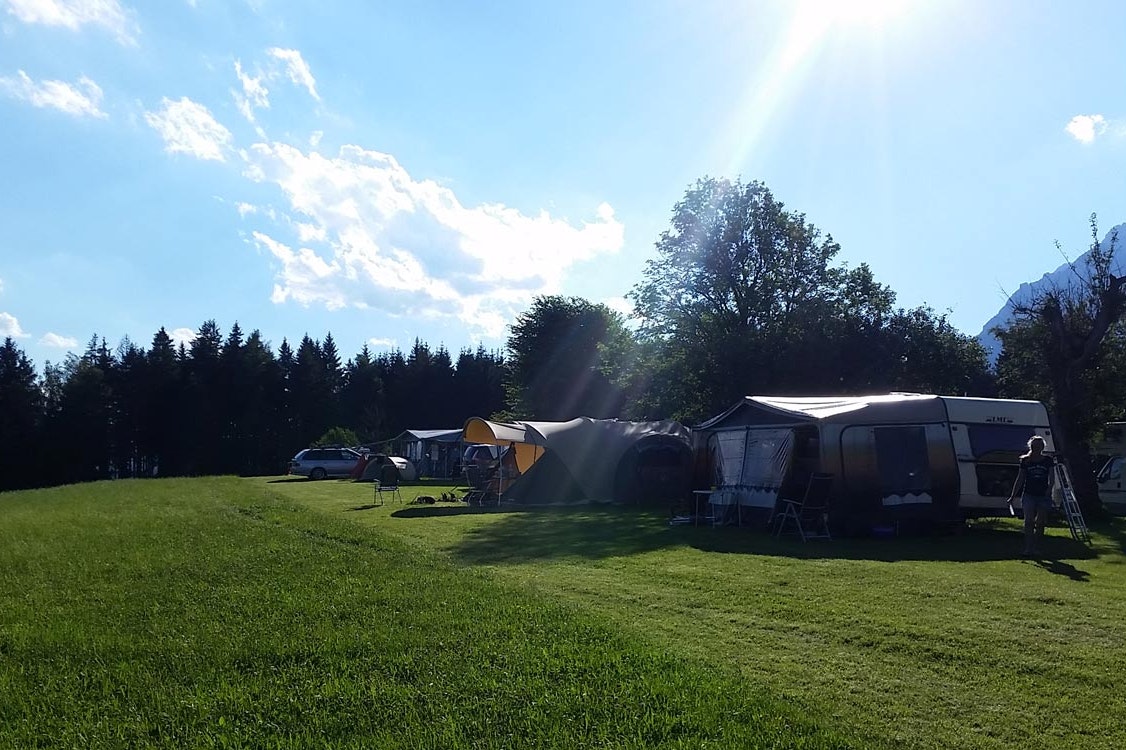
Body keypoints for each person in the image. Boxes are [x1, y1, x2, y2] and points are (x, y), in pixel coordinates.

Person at [1008, 436, 1056, 557]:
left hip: (1043, 495)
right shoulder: (1025, 461)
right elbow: (1020, 478)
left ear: (1042, 447)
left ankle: (1036, 547)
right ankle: (1028, 547)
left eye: (1039, 446)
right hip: (1029, 494)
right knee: (1028, 521)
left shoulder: (1047, 460)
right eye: (1034, 446)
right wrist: (1013, 496)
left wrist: (1049, 489)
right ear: (1031, 447)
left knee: (1040, 522)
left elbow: (1051, 477)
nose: (1037, 448)